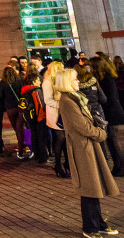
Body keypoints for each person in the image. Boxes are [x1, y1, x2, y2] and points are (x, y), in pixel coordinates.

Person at [55, 67, 119, 237]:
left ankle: (98, 224)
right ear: (67, 82)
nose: (78, 82)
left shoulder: (74, 98)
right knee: (89, 188)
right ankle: (90, 227)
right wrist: (100, 134)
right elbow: (82, 127)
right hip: (82, 148)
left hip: (88, 146)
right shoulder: (68, 101)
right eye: (75, 79)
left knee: (94, 187)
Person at [91, 56, 124, 176]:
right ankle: (117, 166)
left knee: (114, 141)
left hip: (113, 112)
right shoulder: (104, 78)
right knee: (110, 141)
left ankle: (121, 166)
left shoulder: (108, 79)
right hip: (110, 112)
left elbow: (110, 98)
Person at [43, 60, 69, 177]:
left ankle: (66, 163)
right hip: (55, 114)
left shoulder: (58, 80)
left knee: (64, 139)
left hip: (61, 113)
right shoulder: (47, 82)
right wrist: (61, 104)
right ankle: (58, 164)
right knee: (60, 138)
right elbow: (47, 100)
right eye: (61, 68)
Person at [21, 72, 48, 163]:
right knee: (41, 136)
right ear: (33, 81)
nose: (40, 82)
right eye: (38, 80)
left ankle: (36, 155)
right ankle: (43, 156)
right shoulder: (37, 90)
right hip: (39, 117)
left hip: (30, 117)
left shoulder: (24, 91)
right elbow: (42, 104)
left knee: (34, 135)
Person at [0, 65, 25, 158]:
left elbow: (0, 95)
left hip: (10, 108)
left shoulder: (3, 83)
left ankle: (21, 145)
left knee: (16, 128)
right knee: (20, 128)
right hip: (20, 107)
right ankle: (22, 148)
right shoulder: (19, 81)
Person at [75, 63, 108, 130]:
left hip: (84, 114)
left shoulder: (74, 86)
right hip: (97, 112)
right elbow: (103, 99)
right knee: (101, 132)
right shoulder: (94, 81)